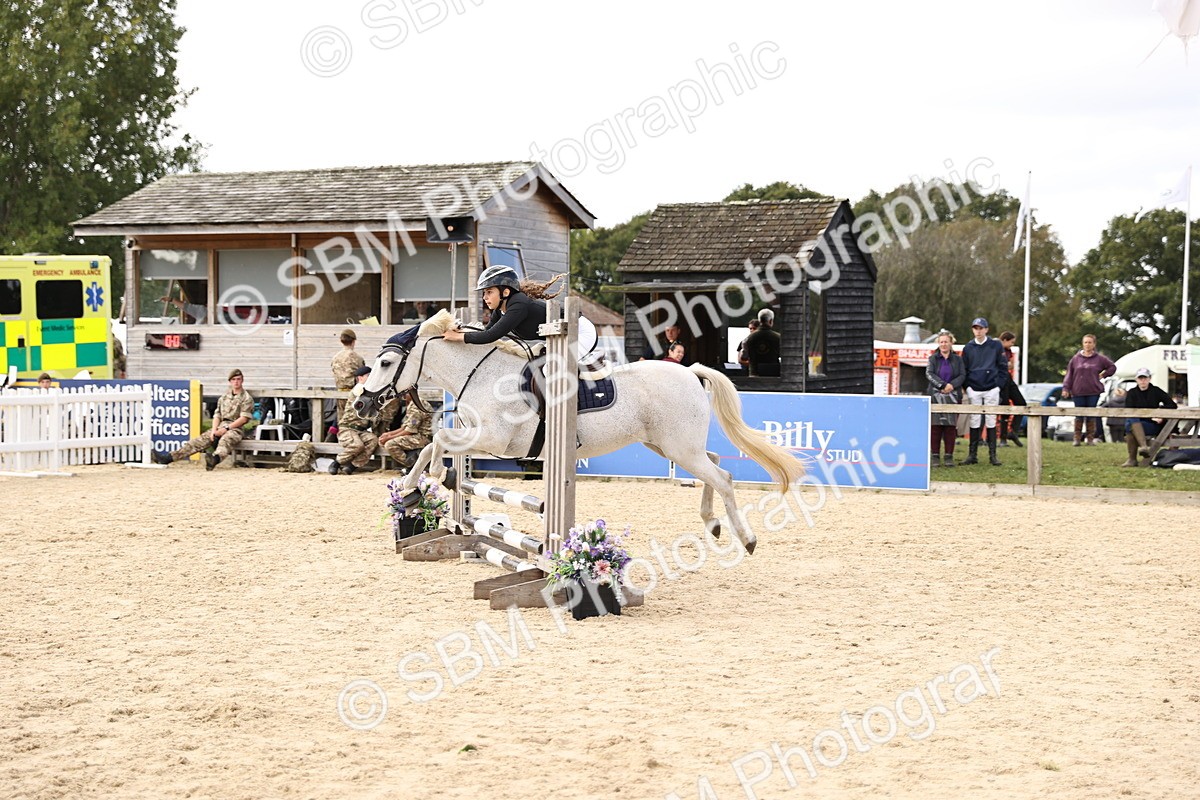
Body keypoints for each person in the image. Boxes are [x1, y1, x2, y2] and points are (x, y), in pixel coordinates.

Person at [153, 369, 254, 470]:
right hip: (220, 426)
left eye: (238, 379)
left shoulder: (246, 398)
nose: (236, 382)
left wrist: (226, 429)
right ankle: (168, 458)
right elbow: (217, 415)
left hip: (235, 428)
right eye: (233, 379)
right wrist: (214, 430)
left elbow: (244, 419)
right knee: (197, 441)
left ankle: (214, 459)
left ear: (242, 380)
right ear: (230, 381)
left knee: (225, 440)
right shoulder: (224, 397)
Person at [442, 266, 560, 346]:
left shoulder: (518, 304)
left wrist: (457, 337)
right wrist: (462, 332)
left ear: (505, 292)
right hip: (558, 342)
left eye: (489, 292)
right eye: (484, 293)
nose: (485, 297)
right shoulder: (500, 310)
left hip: (576, 334)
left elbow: (490, 336)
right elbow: (486, 331)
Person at [960, 317, 1008, 466]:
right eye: (976, 328)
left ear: (986, 329)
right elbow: (964, 370)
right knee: (974, 420)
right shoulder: (968, 348)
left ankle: (992, 455)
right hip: (974, 388)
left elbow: (1003, 368)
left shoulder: (995, 346)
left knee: (991, 420)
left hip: (991, 388)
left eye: (981, 328)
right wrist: (967, 387)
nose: (978, 331)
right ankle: (972, 455)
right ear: (973, 330)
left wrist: (998, 386)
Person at [1062, 333, 1116, 446]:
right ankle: (1077, 438)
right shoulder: (1075, 359)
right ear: (1082, 344)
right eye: (1085, 342)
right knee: (1079, 414)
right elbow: (1069, 374)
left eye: (1090, 342)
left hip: (1093, 391)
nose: (1087, 344)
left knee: (1091, 414)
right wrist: (1066, 388)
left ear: (1094, 344)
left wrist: (1103, 375)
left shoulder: (1100, 359)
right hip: (1078, 391)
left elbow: (1112, 367)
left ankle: (1090, 438)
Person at [1120, 367, 1178, 466]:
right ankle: (1142, 447)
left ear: (1149, 378)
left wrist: (1160, 413)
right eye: (1140, 378)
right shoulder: (1132, 392)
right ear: (1136, 380)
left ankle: (1132, 459)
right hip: (1137, 423)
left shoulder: (1156, 391)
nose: (1143, 381)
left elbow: (1172, 405)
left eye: (1145, 378)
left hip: (1152, 425)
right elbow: (1128, 410)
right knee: (1131, 421)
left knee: (1129, 425)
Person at [330, 366, 381, 475]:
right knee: (358, 445)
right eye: (368, 376)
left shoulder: (369, 390)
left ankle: (352, 466)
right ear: (360, 378)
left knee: (372, 440)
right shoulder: (359, 389)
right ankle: (337, 462)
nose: (371, 378)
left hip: (361, 430)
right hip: (348, 428)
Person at [926, 331, 965, 467]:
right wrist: (942, 385)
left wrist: (951, 386)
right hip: (935, 395)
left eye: (946, 341)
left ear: (951, 343)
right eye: (941, 342)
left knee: (950, 427)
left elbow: (962, 375)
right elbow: (929, 374)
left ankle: (949, 456)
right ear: (938, 343)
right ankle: (935, 456)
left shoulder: (958, 359)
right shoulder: (933, 359)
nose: (943, 344)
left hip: (953, 395)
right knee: (935, 427)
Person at [379, 392, 434, 472]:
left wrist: (389, 437)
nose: (402, 396)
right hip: (417, 435)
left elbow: (409, 430)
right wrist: (388, 434)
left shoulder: (417, 405)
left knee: (390, 444)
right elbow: (405, 427)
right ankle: (412, 465)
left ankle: (414, 467)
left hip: (424, 437)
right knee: (385, 440)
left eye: (405, 394)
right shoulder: (412, 403)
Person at [330, 328, 365, 428]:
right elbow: (362, 374)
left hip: (340, 392)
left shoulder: (336, 357)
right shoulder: (357, 357)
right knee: (354, 421)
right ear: (353, 341)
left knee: (341, 420)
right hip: (354, 393)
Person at [996, 331, 1025, 447]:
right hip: (999, 378)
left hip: (1008, 378)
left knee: (1021, 403)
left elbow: (1011, 365)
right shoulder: (996, 349)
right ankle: (1003, 438)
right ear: (1004, 340)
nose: (1012, 345)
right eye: (1011, 342)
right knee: (1005, 408)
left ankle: (1013, 431)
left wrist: (1009, 364)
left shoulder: (1008, 351)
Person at [743, 308, 781, 377]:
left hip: (754, 374)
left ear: (759, 320)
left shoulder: (749, 338)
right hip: (773, 376)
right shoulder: (778, 338)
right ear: (771, 321)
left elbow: (744, 357)